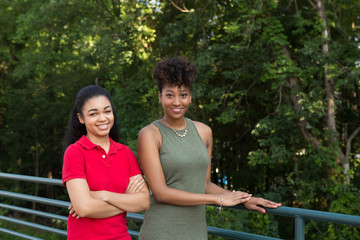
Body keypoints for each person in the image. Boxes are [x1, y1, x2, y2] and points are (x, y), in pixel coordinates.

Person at [138, 56, 281, 240]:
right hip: (161, 231)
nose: (177, 102)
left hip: (196, 231)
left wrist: (243, 199)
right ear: (160, 97)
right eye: (169, 94)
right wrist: (218, 200)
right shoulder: (150, 134)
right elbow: (161, 193)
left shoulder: (204, 132)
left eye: (183, 94)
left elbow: (205, 185)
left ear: (190, 96)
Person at [62, 85, 150, 240]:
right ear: (81, 118)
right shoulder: (75, 153)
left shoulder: (125, 153)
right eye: (93, 114)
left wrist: (102, 195)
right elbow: (84, 208)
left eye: (107, 111)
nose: (102, 118)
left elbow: (143, 202)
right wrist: (126, 200)